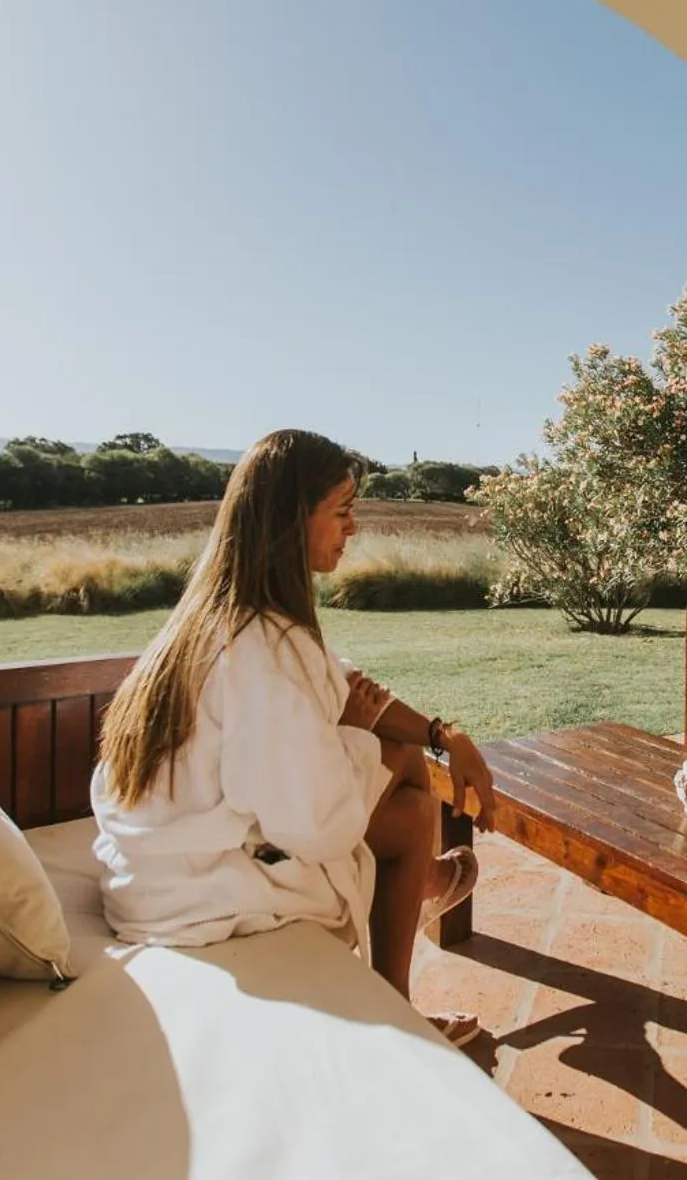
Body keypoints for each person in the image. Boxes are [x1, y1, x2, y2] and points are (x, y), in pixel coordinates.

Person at [89, 429, 500, 1046]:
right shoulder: (264, 651)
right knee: (411, 800)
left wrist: (447, 735)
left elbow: (344, 682)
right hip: (196, 889)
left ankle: (415, 920)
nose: (353, 528)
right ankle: (418, 900)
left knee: (411, 778)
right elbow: (315, 827)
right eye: (342, 511)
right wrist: (353, 739)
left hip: (162, 866)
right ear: (289, 521)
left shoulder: (221, 617)